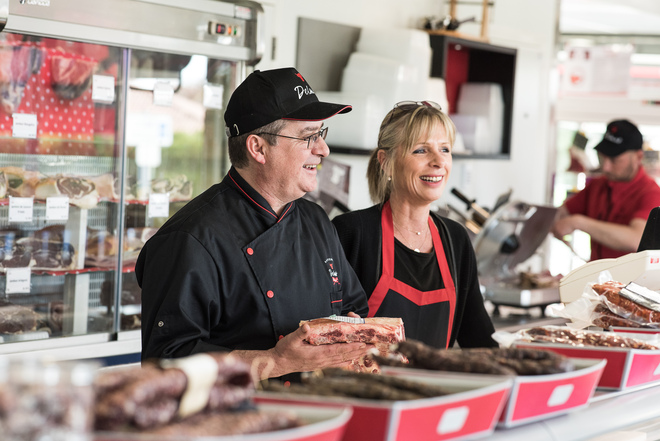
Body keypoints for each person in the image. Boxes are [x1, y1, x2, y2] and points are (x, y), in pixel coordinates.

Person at [136, 67, 371, 379]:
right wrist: (276, 362)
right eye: (308, 137)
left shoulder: (316, 220)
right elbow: (164, 363)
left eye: (321, 133)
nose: (323, 149)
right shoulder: (189, 239)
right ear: (258, 148)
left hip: (317, 411)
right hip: (237, 420)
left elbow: (353, 310)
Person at [332, 101, 497, 349]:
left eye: (445, 149)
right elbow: (323, 330)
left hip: (435, 386)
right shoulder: (352, 232)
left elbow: (480, 339)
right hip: (365, 386)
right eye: (421, 150)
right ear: (386, 161)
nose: (438, 161)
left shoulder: (456, 239)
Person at [552, 119, 660, 261]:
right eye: (603, 158)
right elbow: (560, 214)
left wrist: (578, 222)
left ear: (638, 156)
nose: (606, 167)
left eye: (615, 161)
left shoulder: (651, 192)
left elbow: (636, 239)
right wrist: (551, 221)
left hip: (630, 282)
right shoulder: (598, 185)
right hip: (598, 279)